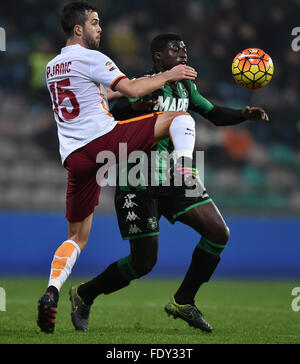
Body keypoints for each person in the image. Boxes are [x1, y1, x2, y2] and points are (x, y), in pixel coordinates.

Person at [68, 33, 269, 333]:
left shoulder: (186, 87)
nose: (183, 52)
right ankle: (84, 294)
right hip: (137, 178)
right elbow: (109, 112)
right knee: (143, 264)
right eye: (175, 49)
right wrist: (133, 110)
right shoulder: (140, 83)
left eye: (185, 48)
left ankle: (184, 300)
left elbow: (212, 113)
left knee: (218, 232)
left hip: (174, 176)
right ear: (159, 56)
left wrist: (243, 114)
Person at [37, 2, 201, 334]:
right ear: (79, 29)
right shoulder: (93, 57)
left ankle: (52, 290)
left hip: (75, 157)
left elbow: (98, 95)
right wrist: (168, 76)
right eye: (95, 23)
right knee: (180, 118)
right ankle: (186, 172)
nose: (100, 28)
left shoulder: (52, 66)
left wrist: (131, 94)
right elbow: (132, 89)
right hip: (104, 142)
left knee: (76, 237)